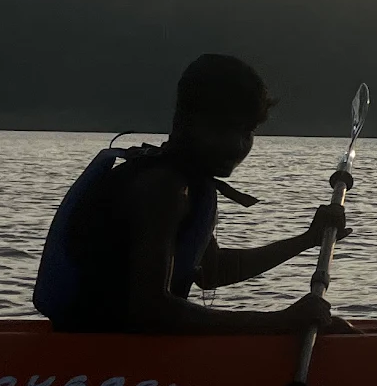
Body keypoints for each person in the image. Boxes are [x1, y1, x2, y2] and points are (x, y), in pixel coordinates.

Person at [32, 53, 352, 335]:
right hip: (98, 352)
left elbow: (212, 272)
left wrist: (307, 239)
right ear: (188, 121)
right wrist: (279, 322)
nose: (238, 146)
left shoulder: (188, 181)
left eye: (247, 132)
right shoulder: (163, 189)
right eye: (225, 129)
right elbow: (151, 311)